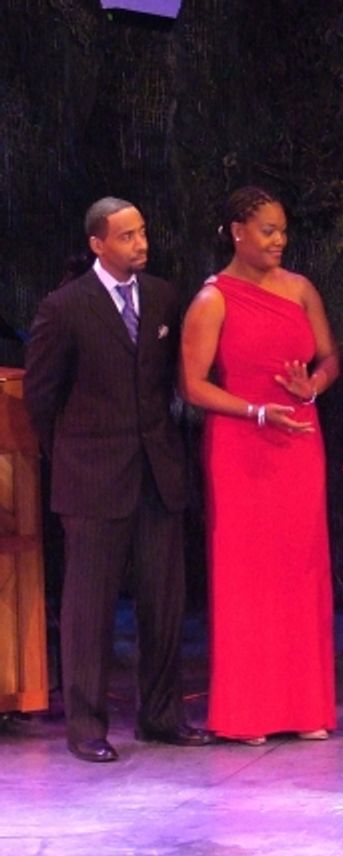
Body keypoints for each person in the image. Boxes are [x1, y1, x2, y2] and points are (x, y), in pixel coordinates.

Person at [24, 197, 212, 762]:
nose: (140, 243)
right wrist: (73, 458)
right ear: (97, 244)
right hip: (92, 480)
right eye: (127, 236)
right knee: (90, 608)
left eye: (142, 232)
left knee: (164, 603)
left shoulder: (162, 296)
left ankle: (162, 715)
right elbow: (41, 398)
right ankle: (86, 726)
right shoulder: (65, 307)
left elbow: (169, 382)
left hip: (157, 474)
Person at [180, 186, 339, 744]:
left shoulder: (301, 289)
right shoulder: (213, 300)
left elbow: (330, 357)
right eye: (268, 230)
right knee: (248, 577)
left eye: (282, 230)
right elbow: (192, 385)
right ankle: (249, 713)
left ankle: (305, 707)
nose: (279, 240)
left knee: (301, 569)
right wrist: (254, 410)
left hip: (299, 442)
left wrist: (313, 385)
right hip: (242, 445)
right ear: (237, 232)